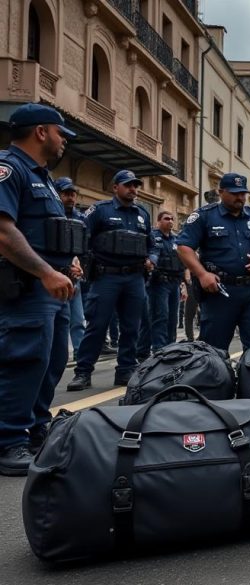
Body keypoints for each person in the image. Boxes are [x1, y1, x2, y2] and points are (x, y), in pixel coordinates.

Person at [0, 104, 78, 475]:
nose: (65, 141)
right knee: (24, 359)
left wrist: (66, 264)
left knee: (50, 362)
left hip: (52, 288)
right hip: (27, 287)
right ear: (41, 132)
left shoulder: (43, 176)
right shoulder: (9, 168)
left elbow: (45, 231)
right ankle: (8, 440)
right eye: (61, 133)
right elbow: (3, 231)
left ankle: (34, 430)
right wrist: (46, 272)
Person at [67, 169, 156, 391]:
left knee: (131, 327)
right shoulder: (99, 210)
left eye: (135, 185)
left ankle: (126, 370)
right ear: (115, 187)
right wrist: (79, 262)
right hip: (106, 277)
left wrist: (151, 259)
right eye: (128, 185)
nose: (133, 189)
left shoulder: (143, 214)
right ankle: (83, 372)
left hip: (135, 278)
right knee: (97, 326)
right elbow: (81, 237)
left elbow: (152, 244)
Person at [176, 173, 250, 352]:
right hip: (220, 292)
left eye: (242, 193)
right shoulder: (205, 216)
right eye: (234, 193)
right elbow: (183, 247)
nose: (239, 197)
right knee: (214, 349)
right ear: (221, 192)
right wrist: (202, 274)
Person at [144, 211, 186, 352]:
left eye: (172, 219)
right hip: (159, 283)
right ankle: (159, 349)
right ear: (159, 222)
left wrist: (183, 284)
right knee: (160, 316)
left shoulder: (176, 240)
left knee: (172, 318)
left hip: (174, 283)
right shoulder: (153, 238)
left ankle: (171, 347)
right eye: (167, 218)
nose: (170, 221)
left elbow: (182, 263)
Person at [55, 177, 87, 360]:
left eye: (73, 194)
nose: (71, 198)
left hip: (74, 278)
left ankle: (79, 353)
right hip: (53, 275)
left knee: (77, 319)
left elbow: (83, 247)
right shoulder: (49, 212)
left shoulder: (81, 218)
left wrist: (80, 266)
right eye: (66, 194)